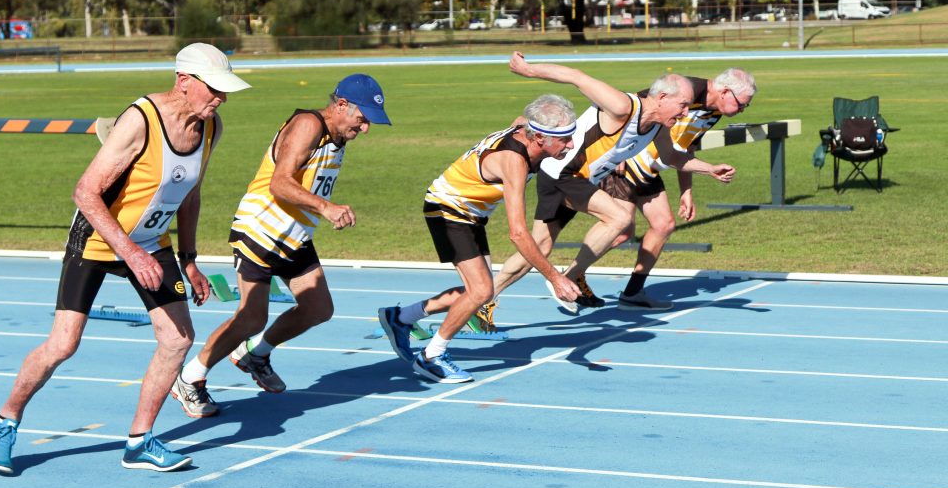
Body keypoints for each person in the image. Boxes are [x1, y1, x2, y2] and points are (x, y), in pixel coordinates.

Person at [0, 42, 250, 475]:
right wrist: (130, 251)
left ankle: (140, 441)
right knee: (63, 344)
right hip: (98, 239)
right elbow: (85, 192)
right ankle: (4, 422)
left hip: (151, 243)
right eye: (213, 89)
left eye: (226, 90)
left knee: (177, 339)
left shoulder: (210, 126)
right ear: (183, 82)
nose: (221, 98)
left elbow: (190, 192)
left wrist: (190, 258)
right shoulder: (140, 121)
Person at [169, 74, 390, 418]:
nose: (365, 130)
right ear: (342, 105)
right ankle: (189, 378)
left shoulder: (336, 135)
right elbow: (280, 183)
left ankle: (255, 354)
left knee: (318, 309)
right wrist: (326, 208)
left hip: (294, 236)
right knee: (251, 317)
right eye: (362, 120)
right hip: (261, 231)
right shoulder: (307, 125)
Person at [474, 52, 736, 329]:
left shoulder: (658, 126)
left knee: (540, 247)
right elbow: (577, 77)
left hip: (572, 179)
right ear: (661, 99)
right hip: (563, 173)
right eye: (682, 106)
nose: (685, 113)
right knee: (619, 218)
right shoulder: (623, 106)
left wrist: (709, 168)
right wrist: (528, 70)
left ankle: (481, 302)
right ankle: (571, 276)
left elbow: (672, 157)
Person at [377, 94, 582, 383]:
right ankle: (432, 356)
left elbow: (520, 120)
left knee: (479, 291)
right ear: (538, 138)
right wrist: (555, 278)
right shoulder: (515, 163)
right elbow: (518, 234)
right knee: (482, 290)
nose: (570, 144)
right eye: (564, 139)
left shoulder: (526, 128)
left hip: (469, 213)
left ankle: (400, 317)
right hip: (448, 209)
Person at [609, 68, 756, 310]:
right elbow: (635, 105)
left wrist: (686, 191)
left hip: (650, 168)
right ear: (726, 91)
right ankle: (568, 276)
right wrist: (619, 149)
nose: (742, 110)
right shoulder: (692, 89)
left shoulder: (714, 111)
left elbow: (685, 148)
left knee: (663, 225)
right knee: (622, 230)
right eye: (742, 104)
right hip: (629, 162)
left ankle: (632, 293)